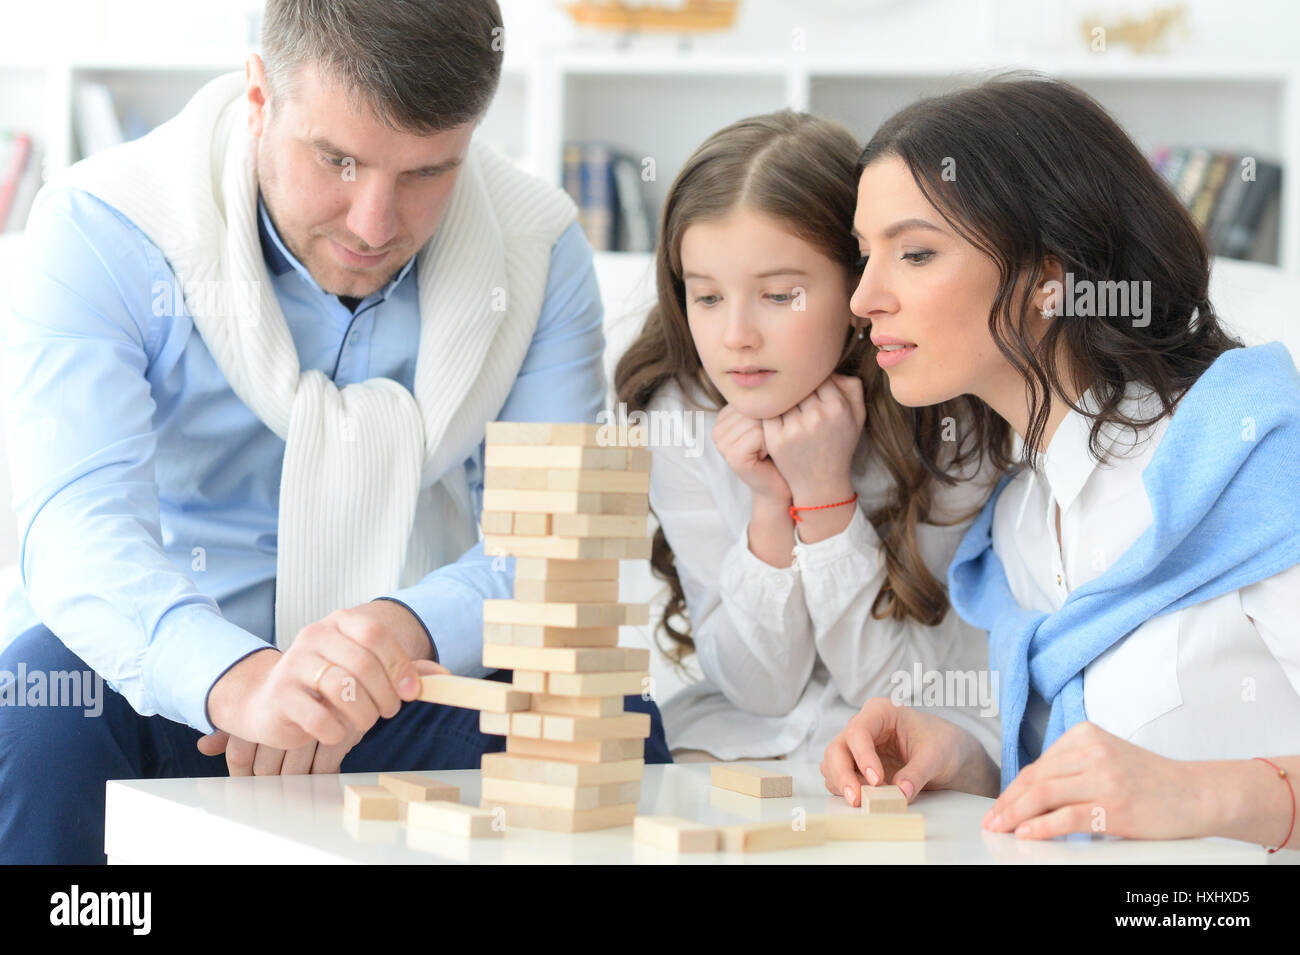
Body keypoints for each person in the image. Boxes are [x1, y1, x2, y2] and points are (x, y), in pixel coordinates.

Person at [0, 0, 668, 865]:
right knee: (41, 704)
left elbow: (556, 543)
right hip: (168, 695)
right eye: (339, 160)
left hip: (393, 688)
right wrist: (241, 683)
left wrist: (401, 630)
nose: (374, 224)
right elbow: (76, 530)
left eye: (428, 172)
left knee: (611, 720)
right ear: (258, 97)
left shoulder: (538, 250)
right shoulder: (101, 228)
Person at [822, 74, 1299, 852]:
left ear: (1051, 278)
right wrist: (971, 756)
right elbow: (1107, 776)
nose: (864, 296)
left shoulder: (1254, 464)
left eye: (913, 252)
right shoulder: (1019, 521)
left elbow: (1163, 785)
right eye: (862, 255)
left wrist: (1205, 793)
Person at [615, 111, 1002, 765]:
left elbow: (896, 688)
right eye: (707, 297)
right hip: (736, 738)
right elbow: (760, 689)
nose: (737, 335)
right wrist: (771, 512)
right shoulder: (678, 415)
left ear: (858, 285)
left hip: (918, 740)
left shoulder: (947, 414)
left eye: (779, 295)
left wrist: (824, 499)